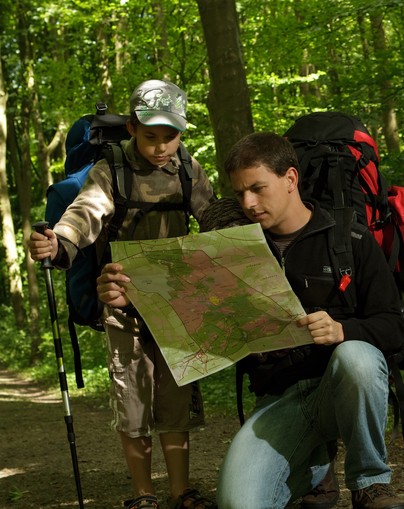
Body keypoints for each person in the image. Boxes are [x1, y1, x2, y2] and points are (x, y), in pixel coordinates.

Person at [28, 79, 217, 509]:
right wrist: (57, 242)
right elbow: (84, 215)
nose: (161, 147)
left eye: (171, 137)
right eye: (151, 136)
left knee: (175, 402)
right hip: (124, 303)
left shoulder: (190, 169)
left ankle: (180, 491)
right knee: (132, 402)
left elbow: (213, 219)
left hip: (176, 301)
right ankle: (142, 495)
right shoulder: (109, 170)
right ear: (132, 128)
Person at [196, 132, 404, 509]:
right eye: (240, 192)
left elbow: (393, 327)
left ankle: (370, 483)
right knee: (238, 503)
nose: (248, 202)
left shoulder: (351, 239)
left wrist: (342, 330)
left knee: (357, 356)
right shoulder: (235, 251)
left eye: (258, 188)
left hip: (339, 386)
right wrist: (126, 298)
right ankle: (314, 470)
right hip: (279, 399)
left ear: (290, 179)